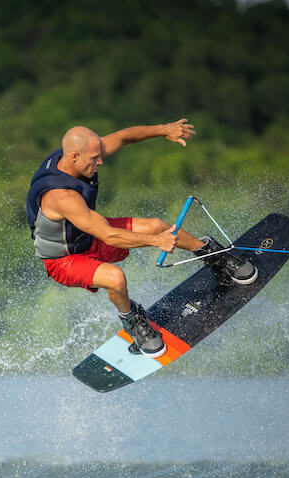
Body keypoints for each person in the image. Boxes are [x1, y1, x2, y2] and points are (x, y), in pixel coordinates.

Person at [26, 120, 256, 358]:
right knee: (115, 278)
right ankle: (133, 322)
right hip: (65, 260)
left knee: (156, 226)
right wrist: (156, 242)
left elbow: (124, 136)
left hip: (88, 234)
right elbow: (108, 235)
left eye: (99, 155)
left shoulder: (81, 155)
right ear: (74, 157)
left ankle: (211, 255)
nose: (100, 161)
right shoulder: (61, 196)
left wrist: (165, 129)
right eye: (95, 159)